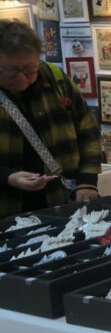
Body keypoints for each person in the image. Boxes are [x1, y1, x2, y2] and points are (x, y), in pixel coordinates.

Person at [0, 19, 101, 218]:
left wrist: (87, 181)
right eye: (11, 71)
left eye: (30, 69)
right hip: (6, 207)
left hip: (60, 200)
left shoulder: (56, 79)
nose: (22, 78)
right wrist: (8, 177)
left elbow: (88, 132)